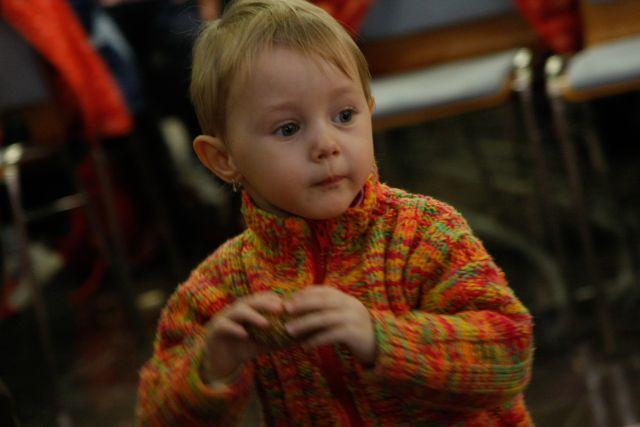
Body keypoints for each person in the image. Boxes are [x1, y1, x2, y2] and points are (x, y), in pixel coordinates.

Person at [136, 0, 534, 425]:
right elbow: (156, 415)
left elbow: (508, 353)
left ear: (369, 111)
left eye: (344, 115)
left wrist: (380, 338)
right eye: (288, 128)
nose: (326, 144)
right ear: (224, 159)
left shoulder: (425, 234)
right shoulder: (222, 288)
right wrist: (210, 368)